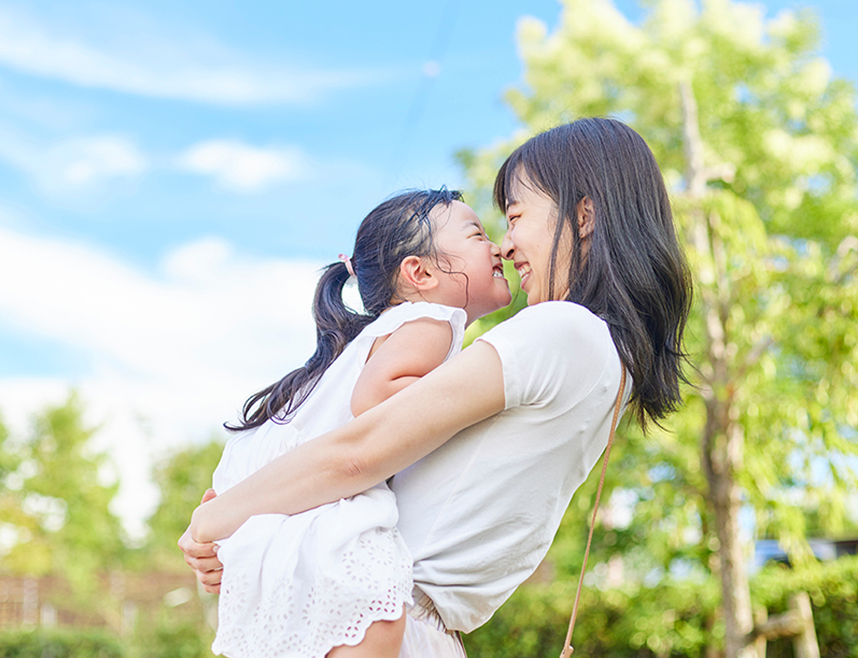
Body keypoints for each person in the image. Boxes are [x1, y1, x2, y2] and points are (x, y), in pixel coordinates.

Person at [181, 118, 692, 657]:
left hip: (372, 618)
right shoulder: (605, 356)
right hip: (397, 624)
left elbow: (359, 451)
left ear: (583, 214)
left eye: (515, 216)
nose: (507, 243)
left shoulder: (564, 330)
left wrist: (213, 519)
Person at [206, 188, 512, 658]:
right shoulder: (434, 320)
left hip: (272, 490)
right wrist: (469, 407)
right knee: (376, 603)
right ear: (421, 272)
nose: (498, 247)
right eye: (477, 234)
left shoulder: (384, 330)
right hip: (319, 494)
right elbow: (376, 397)